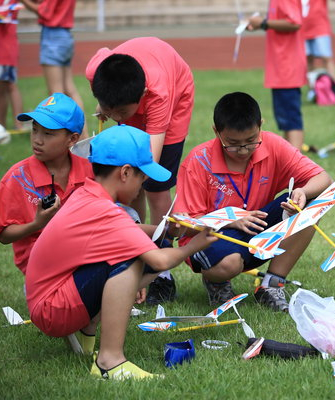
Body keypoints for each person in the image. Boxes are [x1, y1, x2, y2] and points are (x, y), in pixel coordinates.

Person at [25, 125, 217, 380]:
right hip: (52, 309)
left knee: (152, 244)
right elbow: (159, 261)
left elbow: (129, 229)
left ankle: (86, 330)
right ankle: (109, 362)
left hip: (50, 299)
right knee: (135, 260)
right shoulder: (104, 211)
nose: (142, 186)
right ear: (125, 172)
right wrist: (194, 245)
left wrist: (169, 230)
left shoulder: (89, 195)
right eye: (142, 178)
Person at [175, 92, 332, 312]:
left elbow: (323, 178)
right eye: (232, 144)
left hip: (257, 228)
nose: (243, 150)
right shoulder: (199, 161)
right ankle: (217, 282)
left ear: (260, 125)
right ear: (216, 132)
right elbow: (183, 226)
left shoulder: (272, 145)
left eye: (251, 141)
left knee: (311, 207)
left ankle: (272, 285)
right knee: (229, 263)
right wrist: (231, 221)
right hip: (211, 238)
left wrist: (302, 191)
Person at [85, 37, 195, 305]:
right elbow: (105, 59)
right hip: (128, 94)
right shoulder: (97, 71)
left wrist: (130, 180)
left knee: (153, 188)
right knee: (128, 190)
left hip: (176, 94)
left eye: (119, 112)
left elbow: (148, 164)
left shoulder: (159, 95)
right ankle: (132, 250)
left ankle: (161, 270)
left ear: (143, 95)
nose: (114, 116)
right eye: (108, 108)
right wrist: (108, 107)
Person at [0, 93, 91, 276]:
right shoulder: (16, 178)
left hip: (82, 255)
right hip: (41, 268)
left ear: (73, 139)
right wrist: (37, 224)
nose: (37, 139)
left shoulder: (89, 172)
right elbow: (3, 235)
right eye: (34, 130)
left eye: (48, 133)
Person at [19, 0, 86, 137]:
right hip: (65, 36)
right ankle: (83, 136)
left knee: (56, 94)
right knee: (70, 89)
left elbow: (45, 12)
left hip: (53, 37)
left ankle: (61, 136)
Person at [247, 0, 307, 151]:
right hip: (280, 68)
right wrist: (259, 24)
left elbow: (294, 23)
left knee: (292, 119)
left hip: (287, 67)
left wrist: (264, 23)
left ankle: (296, 165)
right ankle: (290, 160)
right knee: (286, 119)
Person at [0, 0, 25, 136]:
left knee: (3, 88)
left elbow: (3, 16)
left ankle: (2, 126)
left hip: (2, 50)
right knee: (6, 87)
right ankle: (12, 125)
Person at [303, 0, 335, 92]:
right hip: (302, 28)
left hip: (320, 26)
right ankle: (313, 90)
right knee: (308, 60)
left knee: (326, 58)